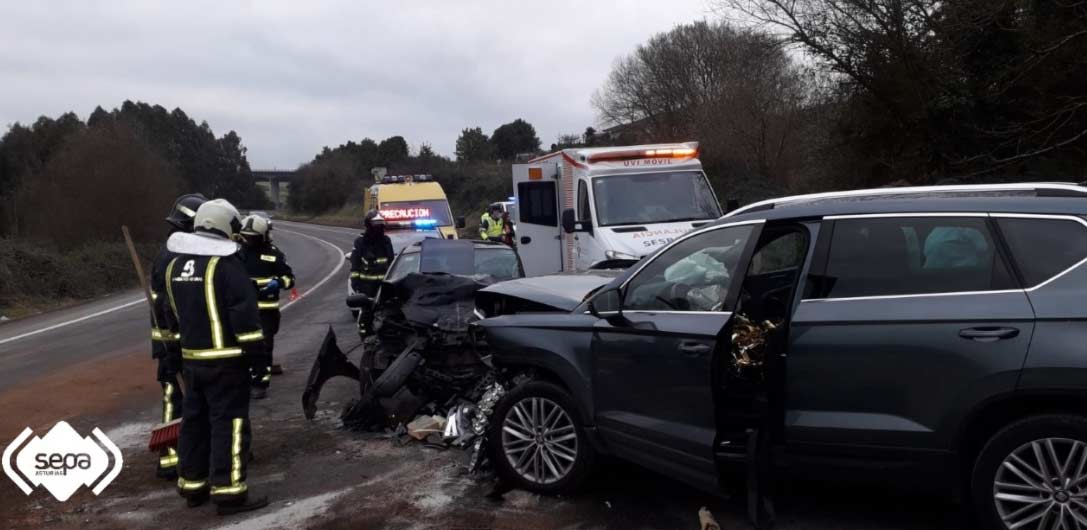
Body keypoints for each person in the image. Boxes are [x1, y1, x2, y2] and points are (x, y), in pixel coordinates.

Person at [163, 199, 268, 514]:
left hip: (192, 363)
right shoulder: (227, 266)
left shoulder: (175, 266)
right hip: (226, 364)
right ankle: (229, 492)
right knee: (230, 425)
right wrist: (258, 362)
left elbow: (168, 318)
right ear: (225, 226)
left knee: (195, 424)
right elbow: (246, 320)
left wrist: (172, 357)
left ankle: (193, 487)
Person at [150, 193, 207, 480]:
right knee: (176, 397)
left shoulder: (171, 250)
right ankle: (172, 458)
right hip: (172, 342)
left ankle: (185, 454)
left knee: (182, 397)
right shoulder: (175, 255)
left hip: (173, 341)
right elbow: (167, 308)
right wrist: (171, 345)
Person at [238, 215, 295, 399]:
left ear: (263, 235)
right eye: (246, 236)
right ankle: (244, 379)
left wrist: (278, 282)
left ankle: (261, 382)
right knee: (243, 346)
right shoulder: (237, 254)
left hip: (267, 311)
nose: (249, 240)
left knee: (263, 347)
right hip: (243, 310)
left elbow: (289, 279)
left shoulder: (274, 254)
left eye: (253, 236)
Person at [350, 210, 395, 335]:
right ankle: (365, 335)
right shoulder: (360, 242)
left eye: (380, 224)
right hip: (367, 287)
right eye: (376, 225)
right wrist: (356, 283)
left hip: (385, 286)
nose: (378, 228)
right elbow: (355, 264)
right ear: (369, 225)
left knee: (388, 312)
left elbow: (392, 262)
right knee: (367, 313)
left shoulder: (386, 241)